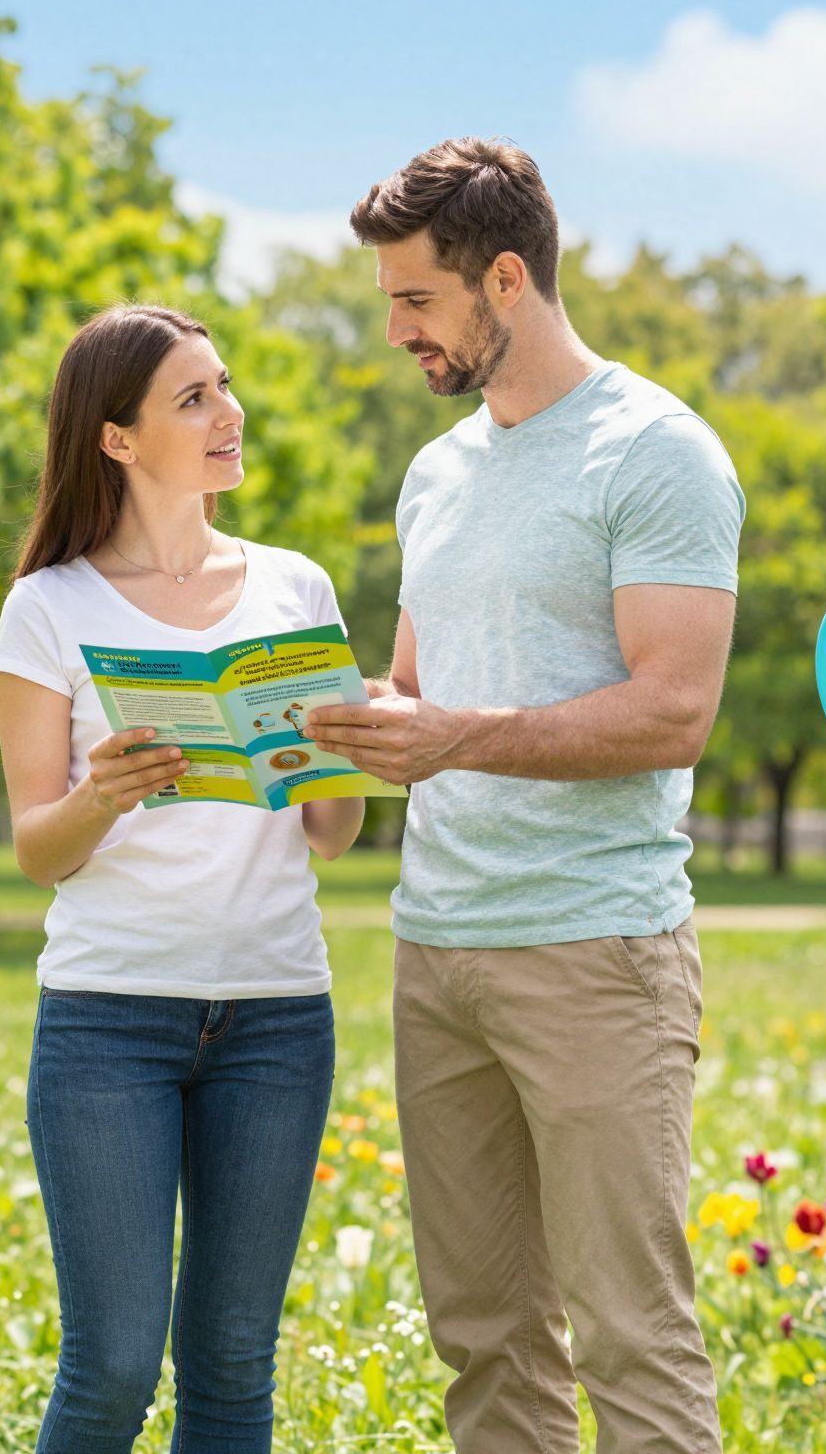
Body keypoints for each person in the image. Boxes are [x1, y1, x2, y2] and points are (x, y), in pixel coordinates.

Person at [306, 138, 745, 1454]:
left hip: (593, 951)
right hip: (439, 952)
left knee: (631, 1331)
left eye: (416, 300)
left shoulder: (654, 452)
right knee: (484, 1335)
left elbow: (675, 709)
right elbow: (413, 697)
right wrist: (296, 724)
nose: (396, 332)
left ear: (506, 279)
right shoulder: (434, 477)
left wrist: (458, 737)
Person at [0, 303, 365, 1451]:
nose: (228, 414)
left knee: (231, 1369)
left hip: (274, 1017)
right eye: (192, 397)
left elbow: (336, 834)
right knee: (108, 1366)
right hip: (109, 1021)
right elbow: (34, 848)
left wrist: (321, 755)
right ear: (116, 439)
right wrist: (100, 793)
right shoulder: (49, 606)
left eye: (224, 386)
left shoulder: (294, 589)